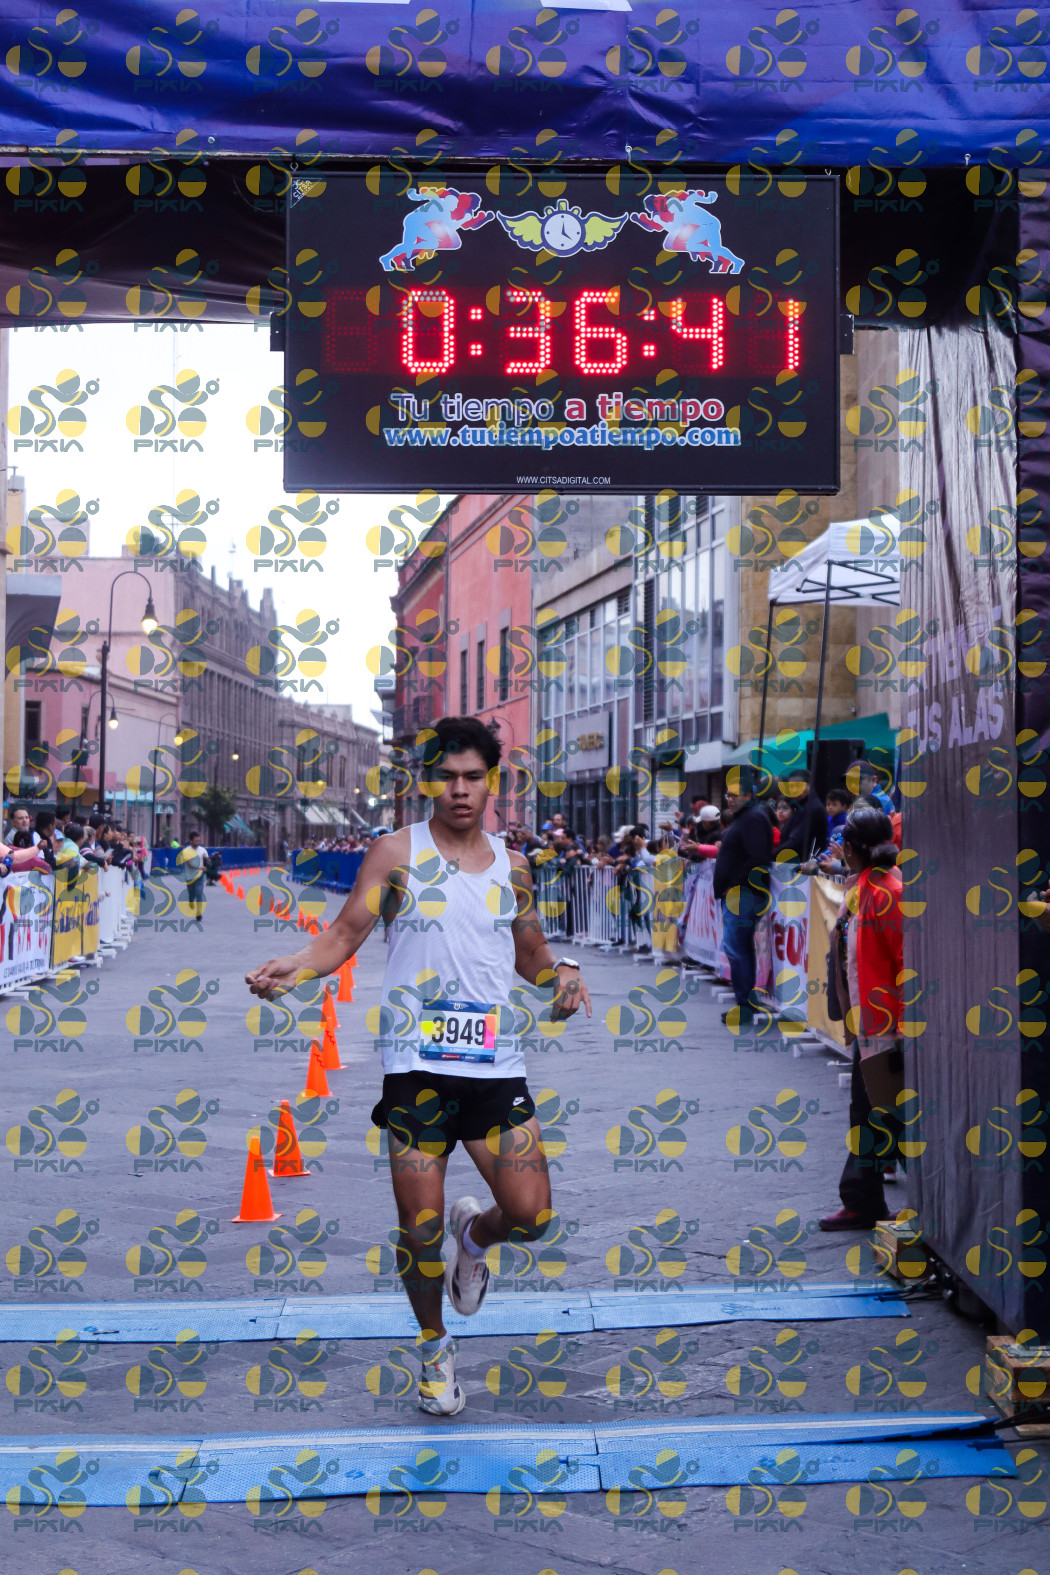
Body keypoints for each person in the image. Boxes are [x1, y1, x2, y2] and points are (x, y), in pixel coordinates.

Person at [246, 715, 592, 1416]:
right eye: (447, 777)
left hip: (495, 1066)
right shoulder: (396, 853)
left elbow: (529, 950)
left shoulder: (513, 866)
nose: (460, 789)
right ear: (428, 782)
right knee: (418, 1226)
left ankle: (476, 1235)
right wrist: (297, 967)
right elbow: (345, 932)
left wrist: (561, 973)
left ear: (492, 782)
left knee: (532, 1214)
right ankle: (434, 1347)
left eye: (473, 777)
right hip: (416, 1069)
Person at [820, 806, 905, 1231]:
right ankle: (862, 1200)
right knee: (867, 1114)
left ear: (852, 849)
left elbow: (908, 964)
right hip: (871, 1025)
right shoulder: (865, 886)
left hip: (888, 1029)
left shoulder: (889, 892)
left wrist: (904, 1031)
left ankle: (873, 1202)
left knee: (886, 1117)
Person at [712, 770, 773, 1027]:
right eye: (728, 794)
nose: (730, 799)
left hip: (744, 894)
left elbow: (758, 858)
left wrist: (734, 885)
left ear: (749, 794)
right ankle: (745, 1004)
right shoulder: (746, 818)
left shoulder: (753, 819)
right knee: (739, 949)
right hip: (741, 894)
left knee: (737, 949)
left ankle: (745, 1006)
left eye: (734, 794)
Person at [777, 770, 829, 863]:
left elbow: (796, 843)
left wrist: (771, 856)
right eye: (791, 787)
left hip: (803, 865)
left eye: (798, 786)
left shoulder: (812, 808)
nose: (793, 790)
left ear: (809, 785)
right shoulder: (800, 806)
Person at [177, 828, 207, 923]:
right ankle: (190, 901)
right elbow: (189, 864)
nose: (198, 842)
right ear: (191, 841)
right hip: (189, 876)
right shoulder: (186, 851)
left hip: (200, 877)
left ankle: (198, 913)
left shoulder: (202, 850)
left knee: (199, 894)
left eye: (199, 841)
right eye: (196, 841)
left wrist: (208, 861)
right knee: (191, 894)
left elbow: (207, 861)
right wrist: (200, 867)